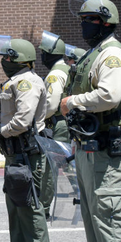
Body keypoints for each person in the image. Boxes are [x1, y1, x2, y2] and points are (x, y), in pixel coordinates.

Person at [60, 0, 121, 242]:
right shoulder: (96, 53)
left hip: (106, 150)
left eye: (89, 20)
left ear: (105, 22)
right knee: (91, 213)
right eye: (82, 20)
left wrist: (72, 102)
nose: (84, 26)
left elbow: (110, 95)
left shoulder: (112, 54)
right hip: (88, 146)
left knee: (108, 213)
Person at [0, 35, 52, 242]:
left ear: (18, 59)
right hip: (15, 153)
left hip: (27, 151)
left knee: (30, 203)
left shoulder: (27, 82)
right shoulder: (15, 80)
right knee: (15, 201)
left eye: (7, 56)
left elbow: (23, 120)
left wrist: (0, 132)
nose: (3, 60)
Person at [38, 31, 70, 219]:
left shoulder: (54, 75)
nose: (41, 56)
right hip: (67, 124)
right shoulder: (67, 69)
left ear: (50, 53)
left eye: (43, 53)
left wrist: (38, 120)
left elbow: (50, 105)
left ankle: (44, 207)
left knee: (49, 168)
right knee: (69, 165)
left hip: (57, 125)